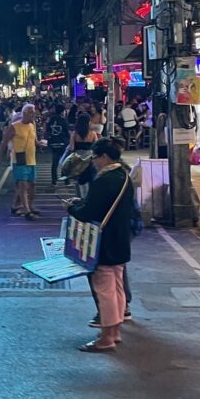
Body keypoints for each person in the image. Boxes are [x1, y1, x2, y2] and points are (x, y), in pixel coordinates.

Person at [64, 139, 134, 352]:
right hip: (121, 239)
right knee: (117, 287)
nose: (93, 162)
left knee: (104, 290)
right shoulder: (124, 176)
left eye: (95, 157)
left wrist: (72, 209)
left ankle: (106, 337)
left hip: (104, 242)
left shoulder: (104, 180)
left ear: (104, 157)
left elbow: (89, 213)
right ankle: (115, 331)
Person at [0, 103, 40, 220]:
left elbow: (35, 141)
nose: (33, 115)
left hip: (31, 159)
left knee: (31, 185)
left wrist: (40, 144)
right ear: (24, 113)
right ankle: (27, 211)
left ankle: (22, 206)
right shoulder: (14, 126)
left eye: (34, 112)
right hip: (19, 159)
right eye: (31, 112)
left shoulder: (32, 125)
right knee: (23, 185)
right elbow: (4, 142)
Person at [45, 104, 69, 185]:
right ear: (62, 111)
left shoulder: (51, 120)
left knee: (54, 162)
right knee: (64, 162)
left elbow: (47, 130)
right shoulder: (63, 120)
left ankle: (54, 180)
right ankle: (65, 179)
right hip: (62, 143)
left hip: (53, 143)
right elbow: (67, 131)